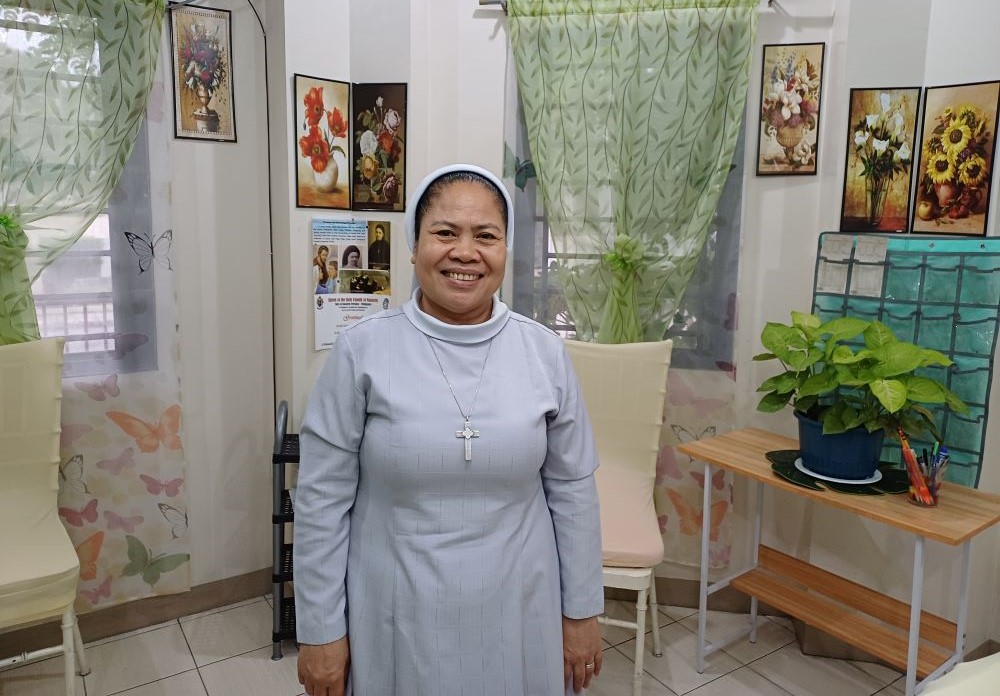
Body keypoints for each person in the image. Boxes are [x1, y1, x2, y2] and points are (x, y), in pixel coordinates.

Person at [295, 164, 604, 696]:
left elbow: (573, 491)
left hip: (520, 605)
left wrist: (581, 613)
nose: (466, 252)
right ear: (414, 248)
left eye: (486, 236)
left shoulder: (543, 352)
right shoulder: (363, 351)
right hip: (394, 607)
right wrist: (321, 630)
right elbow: (321, 499)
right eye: (444, 233)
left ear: (506, 250)